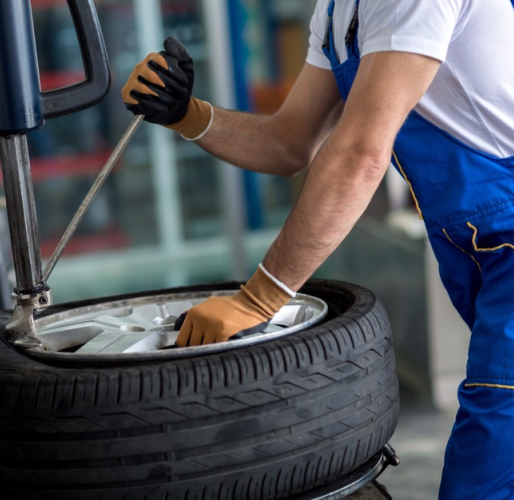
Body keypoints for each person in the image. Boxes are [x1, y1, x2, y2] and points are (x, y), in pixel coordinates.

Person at [121, 0, 514, 498]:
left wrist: (258, 299)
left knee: (485, 470)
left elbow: (360, 153)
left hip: (505, 239)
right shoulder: (336, 12)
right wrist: (186, 114)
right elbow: (289, 143)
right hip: (477, 249)